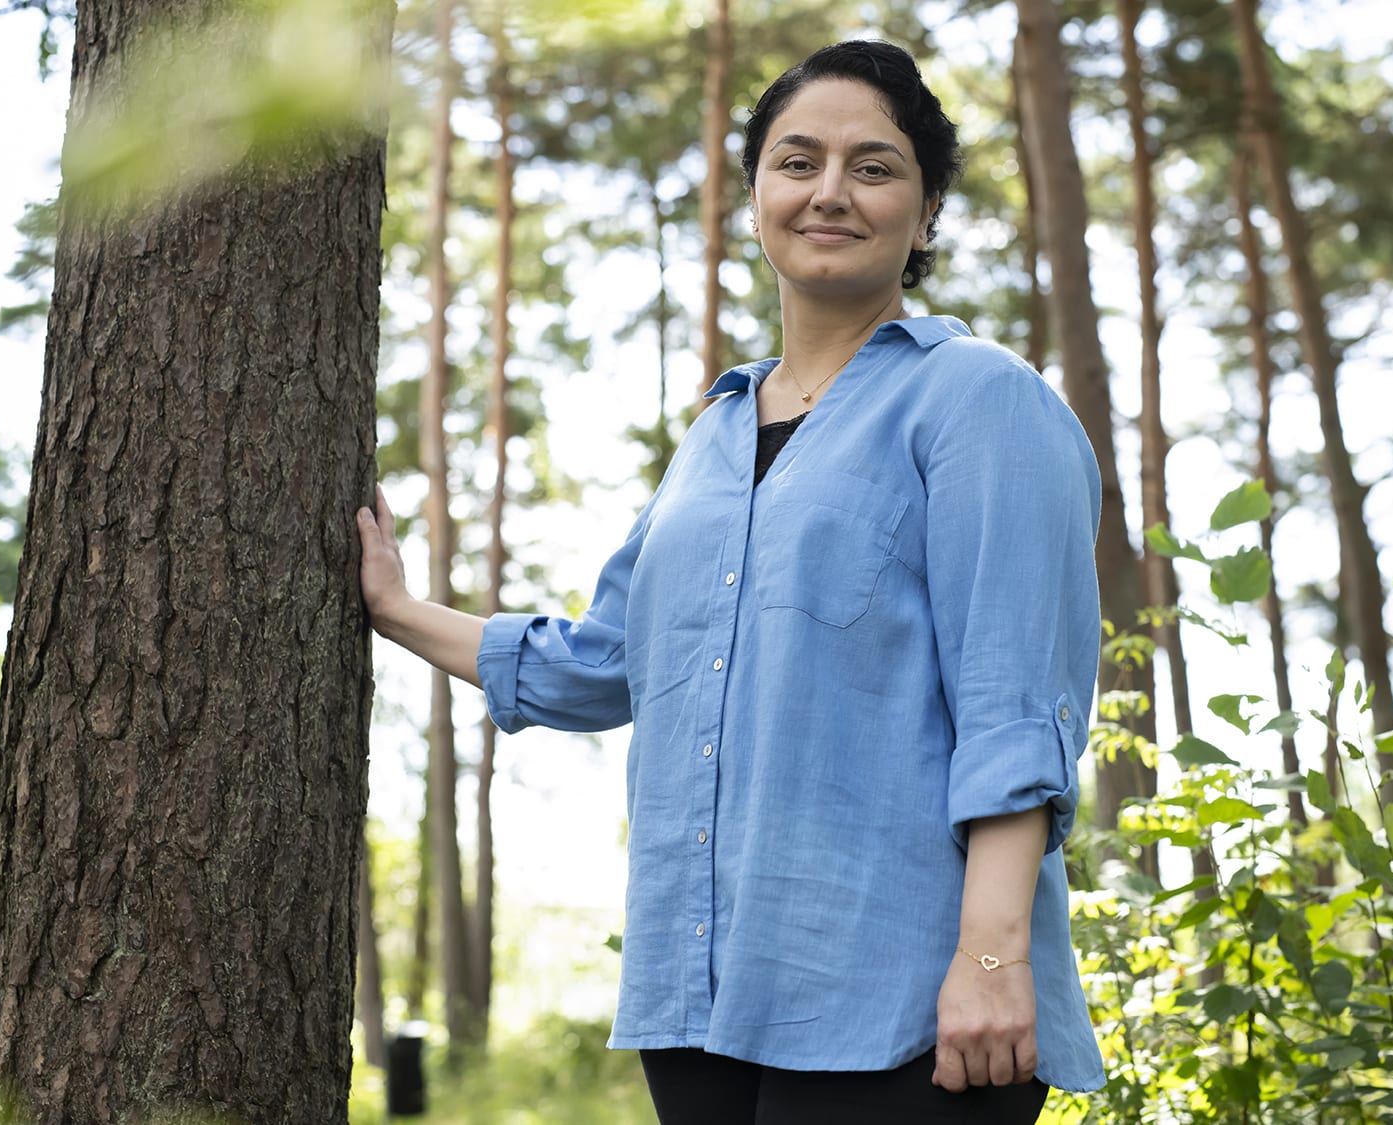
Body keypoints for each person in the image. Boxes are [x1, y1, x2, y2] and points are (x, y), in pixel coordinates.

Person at [357, 39, 1106, 1124]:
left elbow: (1013, 705)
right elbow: (605, 662)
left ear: (926, 211)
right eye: (796, 162)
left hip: (905, 1003)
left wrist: (989, 964)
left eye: (874, 167)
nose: (829, 193)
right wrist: (393, 610)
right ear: (754, 194)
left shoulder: (978, 401)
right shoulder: (714, 431)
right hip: (698, 1002)